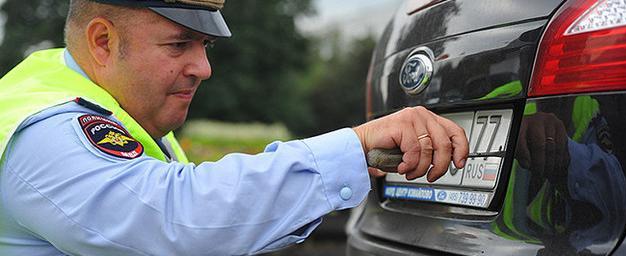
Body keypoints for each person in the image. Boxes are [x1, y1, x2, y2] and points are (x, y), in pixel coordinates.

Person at [0, 0, 468, 255]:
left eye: (203, 45)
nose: (202, 67)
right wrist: (354, 146)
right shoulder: (49, 129)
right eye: (179, 43)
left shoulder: (116, 113)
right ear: (103, 41)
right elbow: (176, 219)